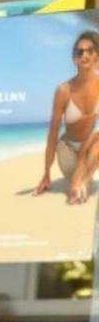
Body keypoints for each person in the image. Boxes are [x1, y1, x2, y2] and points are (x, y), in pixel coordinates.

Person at [32, 29, 99, 206]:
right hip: (68, 153)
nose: (84, 54)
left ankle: (81, 182)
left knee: (96, 138)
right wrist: (46, 173)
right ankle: (78, 180)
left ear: (97, 57)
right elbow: (53, 135)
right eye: (80, 51)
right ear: (74, 59)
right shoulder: (63, 91)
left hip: (93, 153)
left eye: (90, 50)